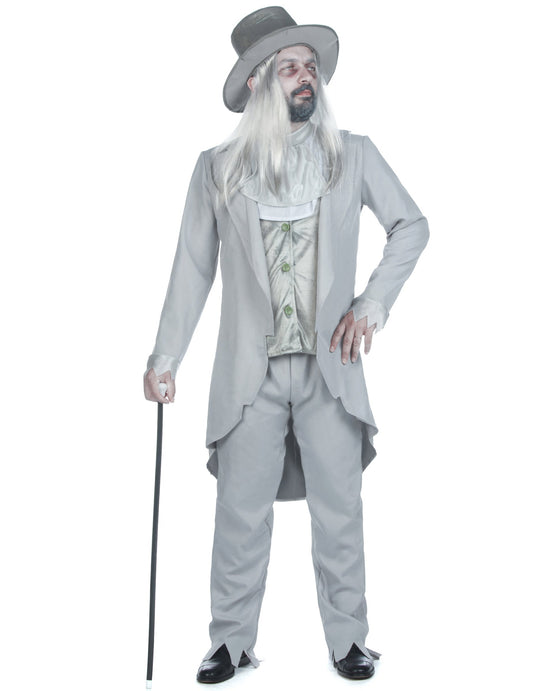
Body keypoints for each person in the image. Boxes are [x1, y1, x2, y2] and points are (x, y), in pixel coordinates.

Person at [143, 6, 429, 684]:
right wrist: (164, 359)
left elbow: (411, 226)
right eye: (290, 68)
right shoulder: (216, 170)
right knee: (239, 515)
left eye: (311, 67)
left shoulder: (352, 155)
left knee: (340, 511)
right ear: (257, 84)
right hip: (250, 374)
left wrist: (371, 304)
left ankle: (349, 639)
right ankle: (230, 642)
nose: (308, 78)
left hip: (332, 368)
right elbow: (192, 269)